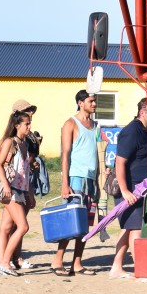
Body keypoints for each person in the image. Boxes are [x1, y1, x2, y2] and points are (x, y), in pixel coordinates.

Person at [51, 91, 100, 276]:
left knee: (86, 224)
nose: (94, 104)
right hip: (76, 179)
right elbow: (65, 154)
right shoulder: (70, 124)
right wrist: (65, 183)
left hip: (92, 180)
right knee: (71, 222)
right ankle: (57, 261)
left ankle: (77, 263)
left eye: (94, 101)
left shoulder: (95, 125)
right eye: (91, 101)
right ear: (81, 103)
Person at [110, 98, 147, 280]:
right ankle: (141, 271)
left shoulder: (146, 130)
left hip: (140, 188)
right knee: (136, 228)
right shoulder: (132, 131)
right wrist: (125, 191)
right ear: (143, 111)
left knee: (127, 228)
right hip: (129, 189)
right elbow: (120, 162)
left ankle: (116, 268)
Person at [0, 111, 34, 276]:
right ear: (17, 125)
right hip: (11, 190)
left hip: (20, 190)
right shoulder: (10, 142)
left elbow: (25, 171)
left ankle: (2, 264)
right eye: (26, 123)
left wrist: (29, 192)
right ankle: (4, 262)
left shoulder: (24, 143)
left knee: (7, 227)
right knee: (23, 226)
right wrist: (5, 185)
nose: (29, 126)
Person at [7, 99, 40, 271]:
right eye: (27, 111)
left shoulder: (29, 136)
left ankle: (14, 258)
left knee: (18, 224)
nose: (31, 114)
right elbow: (2, 161)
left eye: (31, 111)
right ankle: (7, 260)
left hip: (24, 182)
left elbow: (28, 158)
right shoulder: (11, 138)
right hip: (13, 185)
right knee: (13, 226)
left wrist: (34, 163)